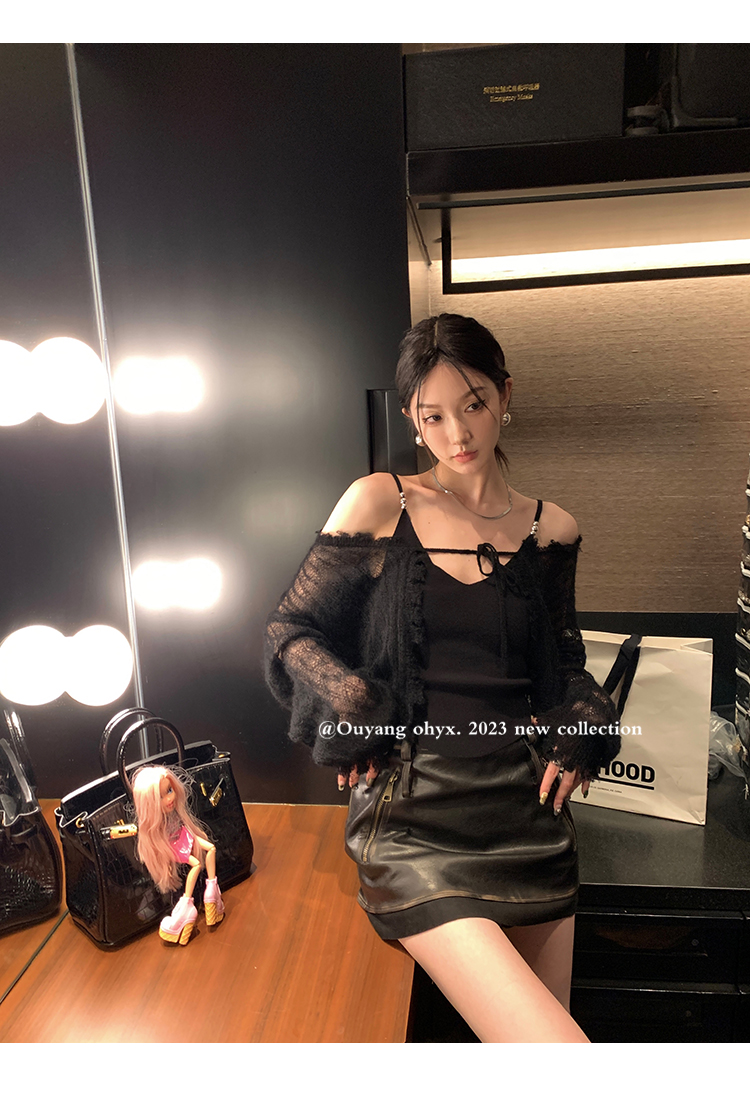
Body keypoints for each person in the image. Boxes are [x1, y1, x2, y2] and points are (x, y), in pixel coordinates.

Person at [264, 313, 620, 1041]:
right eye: (433, 416)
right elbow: (289, 631)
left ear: (505, 395)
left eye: (474, 404)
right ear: (411, 418)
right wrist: (352, 700)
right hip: (413, 821)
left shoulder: (553, 529)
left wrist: (584, 721)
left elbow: (562, 663)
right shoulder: (379, 501)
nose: (456, 433)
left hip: (528, 815)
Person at [132, 764, 225, 945]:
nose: (169, 798)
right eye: (160, 796)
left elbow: (183, 825)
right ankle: (186, 904)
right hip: (173, 846)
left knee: (211, 848)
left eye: (169, 790)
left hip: (184, 836)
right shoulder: (156, 824)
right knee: (196, 864)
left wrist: (195, 834)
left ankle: (211, 890)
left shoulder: (175, 812)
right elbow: (159, 840)